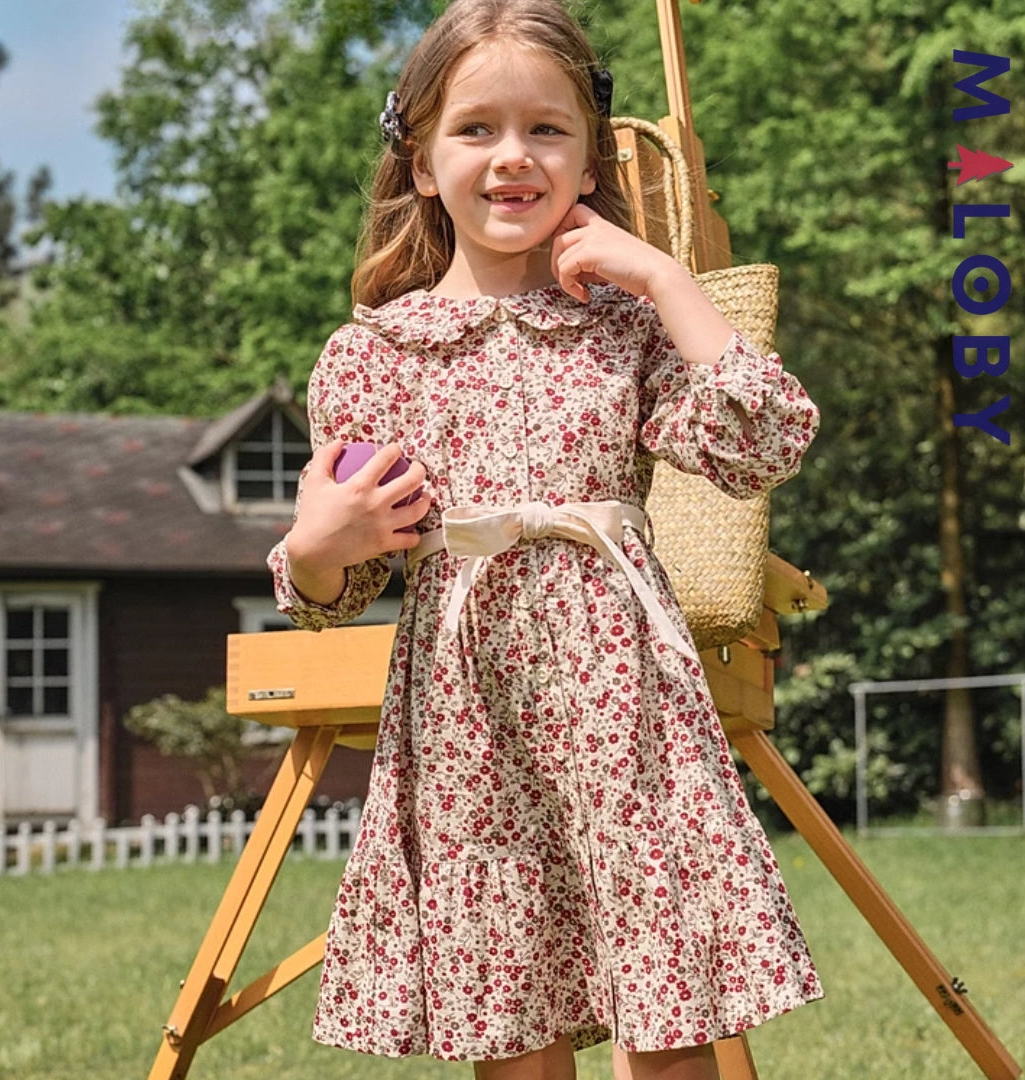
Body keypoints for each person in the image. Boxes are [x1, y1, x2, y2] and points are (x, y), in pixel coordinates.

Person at [267, 1, 823, 1077]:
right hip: (474, 715)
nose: (512, 157)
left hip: (625, 705)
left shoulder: (628, 325)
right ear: (422, 162)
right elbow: (331, 587)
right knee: (511, 1026)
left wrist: (665, 277)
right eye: (475, 129)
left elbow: (765, 438)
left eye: (546, 130)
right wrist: (324, 538)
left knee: (668, 1020)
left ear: (587, 154)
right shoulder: (374, 355)